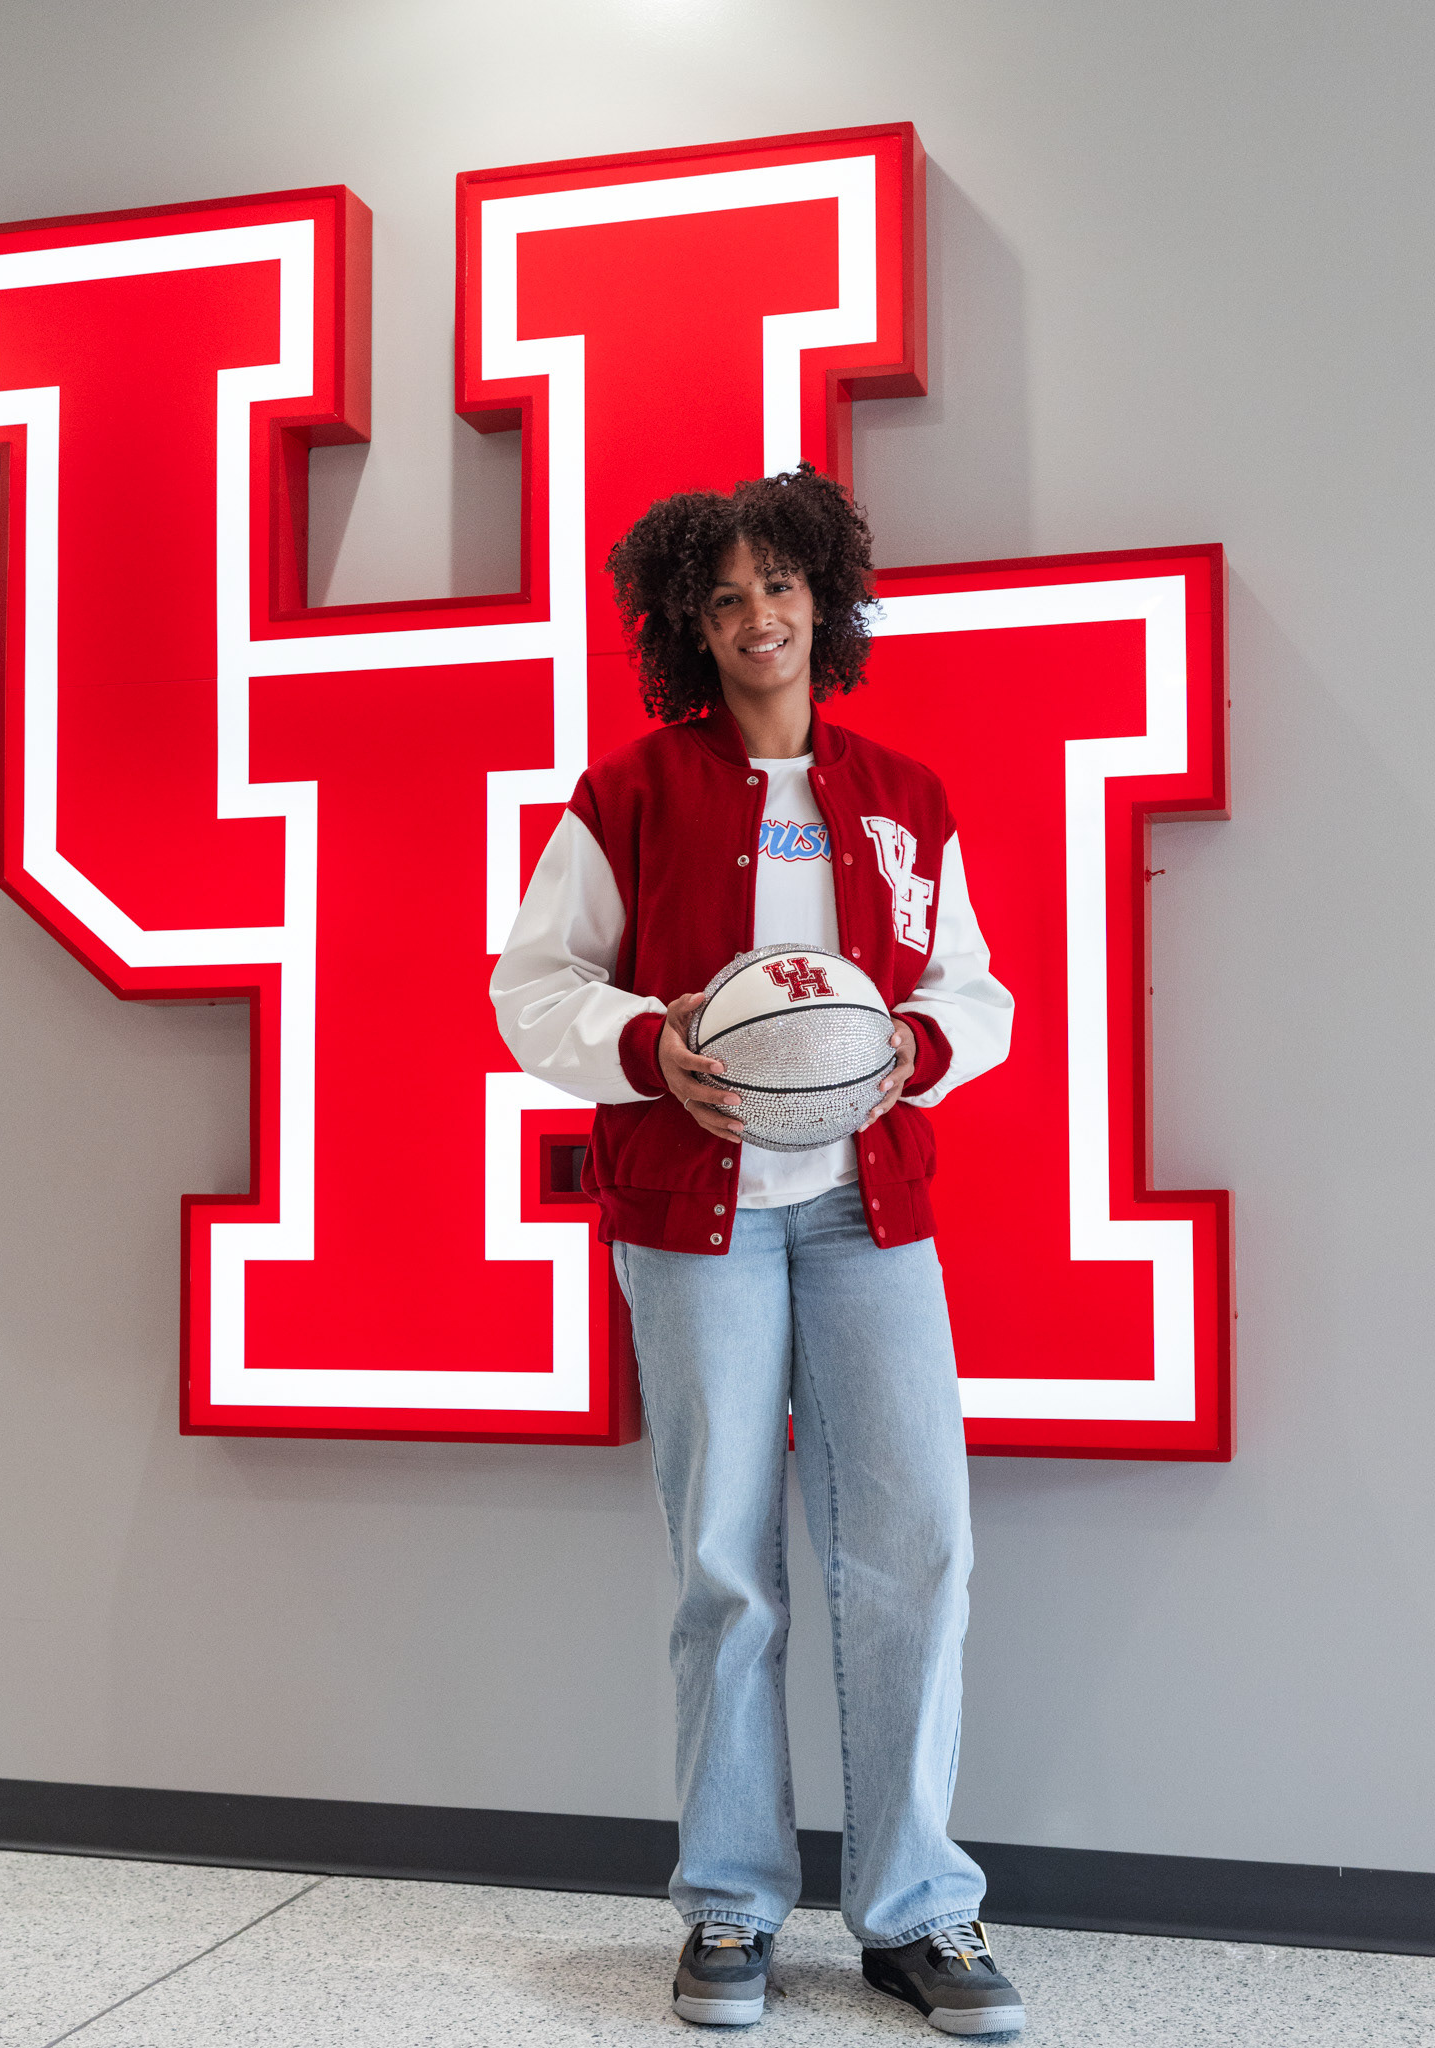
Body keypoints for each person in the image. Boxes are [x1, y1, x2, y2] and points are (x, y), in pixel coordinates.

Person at [491, 464, 1022, 2036]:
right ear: (688, 628)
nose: (756, 618)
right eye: (722, 599)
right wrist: (647, 1045)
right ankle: (729, 1902)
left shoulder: (905, 794)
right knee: (724, 1565)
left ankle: (918, 1911)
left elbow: (974, 990)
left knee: (919, 1548)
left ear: (823, 601)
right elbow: (534, 989)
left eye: (779, 587)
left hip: (871, 1212)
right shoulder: (628, 794)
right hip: (695, 1221)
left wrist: (914, 1047)